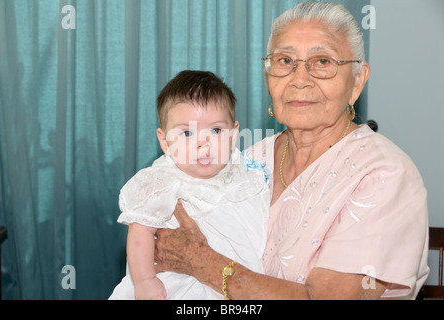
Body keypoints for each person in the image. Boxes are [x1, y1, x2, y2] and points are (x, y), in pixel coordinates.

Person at [154, 1, 429, 299]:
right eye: (285, 61)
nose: (299, 80)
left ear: (357, 80)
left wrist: (205, 263)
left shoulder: (384, 176)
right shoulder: (247, 161)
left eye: (323, 61)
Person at [109, 70, 270, 300]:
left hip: (238, 283)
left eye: (215, 130)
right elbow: (140, 232)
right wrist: (145, 281)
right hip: (179, 286)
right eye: (186, 132)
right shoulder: (163, 180)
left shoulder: (243, 173)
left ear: (233, 135)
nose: (202, 143)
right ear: (165, 142)